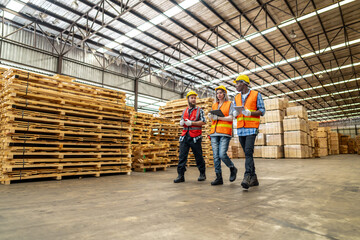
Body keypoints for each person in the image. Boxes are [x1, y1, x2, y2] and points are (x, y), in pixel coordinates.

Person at [233, 75, 265, 189]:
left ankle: (247, 177)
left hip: (252, 128)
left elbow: (262, 111)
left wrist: (250, 113)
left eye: (237, 83)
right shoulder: (236, 97)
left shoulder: (256, 94)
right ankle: (254, 178)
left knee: (247, 151)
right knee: (248, 154)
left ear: (244, 83)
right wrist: (235, 114)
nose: (235, 85)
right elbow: (234, 112)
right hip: (241, 129)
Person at [174, 91, 207, 183]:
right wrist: (181, 123)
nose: (193, 100)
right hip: (185, 136)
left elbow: (204, 121)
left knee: (198, 156)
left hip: (195, 137)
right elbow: (182, 121)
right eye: (192, 98)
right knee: (182, 157)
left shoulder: (200, 110)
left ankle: (202, 174)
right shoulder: (184, 110)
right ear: (188, 99)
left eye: (194, 98)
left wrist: (192, 123)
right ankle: (180, 175)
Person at [208, 85, 237, 185]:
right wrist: (210, 117)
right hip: (214, 133)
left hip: (224, 132)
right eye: (217, 93)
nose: (219, 95)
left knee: (222, 154)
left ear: (224, 93)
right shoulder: (214, 105)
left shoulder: (230, 104)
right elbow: (213, 119)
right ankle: (218, 177)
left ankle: (232, 168)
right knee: (216, 156)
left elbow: (231, 118)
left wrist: (219, 118)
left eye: (221, 93)